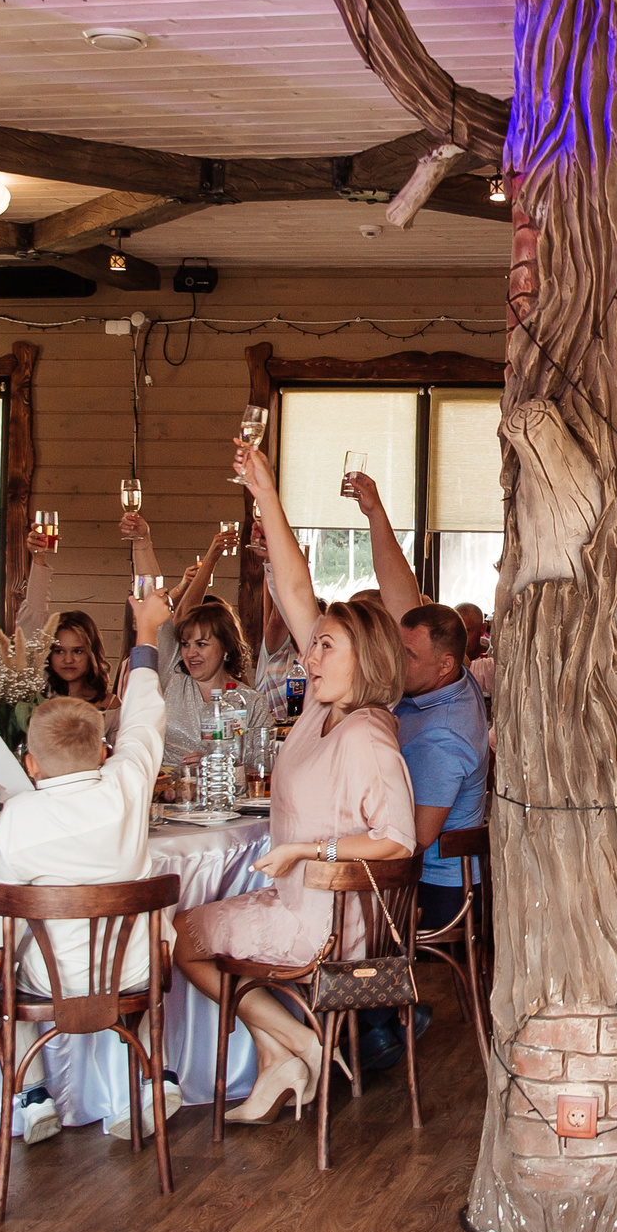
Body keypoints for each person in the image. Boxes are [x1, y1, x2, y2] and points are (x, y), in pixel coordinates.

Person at [174, 438, 417, 1125]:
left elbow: (398, 841)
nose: (309, 654)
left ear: (363, 657)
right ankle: (286, 1051)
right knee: (187, 932)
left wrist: (310, 852)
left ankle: (299, 1043)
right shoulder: (321, 707)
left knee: (181, 937)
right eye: (314, 645)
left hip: (329, 924)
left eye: (325, 646)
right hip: (299, 903)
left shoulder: (367, 732)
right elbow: (294, 589)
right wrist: (265, 493)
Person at [0, 582, 178, 1146]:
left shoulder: (16, 819)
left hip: (51, 980)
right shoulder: (127, 786)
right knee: (149, 948)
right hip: (136, 972)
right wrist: (146, 632)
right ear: (103, 753)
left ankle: (33, 1094)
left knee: (3, 980)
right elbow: (144, 719)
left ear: (30, 764)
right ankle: (151, 1078)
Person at [347, 471, 494, 1070]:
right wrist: (376, 511)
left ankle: (372, 1027)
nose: (394, 660)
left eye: (406, 655)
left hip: (436, 887)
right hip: (432, 872)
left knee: (338, 900)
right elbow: (401, 591)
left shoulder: (443, 735)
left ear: (446, 665)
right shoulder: (441, 678)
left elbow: (415, 836)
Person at [161, 597, 276, 768]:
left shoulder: (251, 702)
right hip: (167, 783)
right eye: (185, 645)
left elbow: (264, 764)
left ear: (226, 647)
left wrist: (216, 763)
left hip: (224, 784)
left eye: (201, 644)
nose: (190, 653)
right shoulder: (171, 681)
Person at [455, 602, 494, 698]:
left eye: (467, 631)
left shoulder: (496, 660)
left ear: (483, 629)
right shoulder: (446, 659)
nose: (460, 638)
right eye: (455, 632)